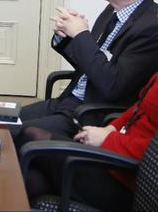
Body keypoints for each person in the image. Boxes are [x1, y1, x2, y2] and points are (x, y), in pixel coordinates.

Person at [13, 0, 158, 146]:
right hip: (67, 102)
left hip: (89, 115)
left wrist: (81, 35)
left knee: (15, 134)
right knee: (1, 119)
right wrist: (67, 38)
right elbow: (92, 66)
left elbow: (112, 85)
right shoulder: (112, 10)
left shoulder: (151, 27)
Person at [24, 72, 158, 211]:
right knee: (31, 179)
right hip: (111, 160)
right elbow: (138, 109)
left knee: (32, 137)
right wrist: (109, 129)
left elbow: (152, 153)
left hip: (126, 183)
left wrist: (106, 139)